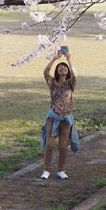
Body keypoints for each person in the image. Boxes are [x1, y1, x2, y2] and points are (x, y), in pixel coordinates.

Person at [39, 49, 79, 180]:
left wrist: (68, 58)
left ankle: (61, 170)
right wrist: (54, 59)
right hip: (53, 117)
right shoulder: (52, 83)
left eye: (64, 67)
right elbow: (45, 72)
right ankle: (46, 170)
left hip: (66, 119)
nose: (62, 68)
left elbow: (75, 75)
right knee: (49, 145)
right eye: (60, 67)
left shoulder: (70, 83)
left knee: (63, 146)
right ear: (57, 71)